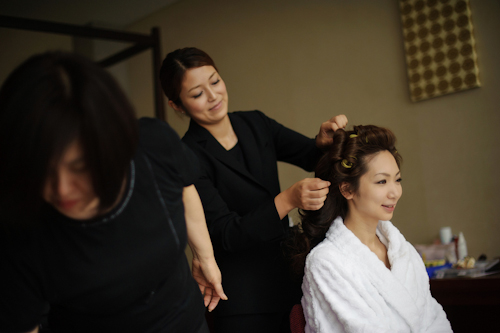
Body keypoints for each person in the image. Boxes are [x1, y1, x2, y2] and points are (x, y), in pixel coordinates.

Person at [0, 51, 226, 333]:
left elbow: (184, 186)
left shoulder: (154, 145)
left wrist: (204, 256)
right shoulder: (20, 230)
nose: (59, 189)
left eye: (79, 166)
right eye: (41, 170)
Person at [159, 47, 348, 333]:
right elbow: (226, 233)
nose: (213, 96)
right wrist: (286, 200)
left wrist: (322, 143)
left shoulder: (255, 124)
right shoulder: (187, 156)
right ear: (177, 105)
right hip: (243, 300)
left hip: (290, 281)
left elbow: (311, 157)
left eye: (215, 81)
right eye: (197, 94)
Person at [289, 125, 452, 332]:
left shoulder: (403, 251)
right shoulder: (326, 262)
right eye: (382, 181)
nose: (395, 192)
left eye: (397, 180)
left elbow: (434, 319)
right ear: (347, 188)